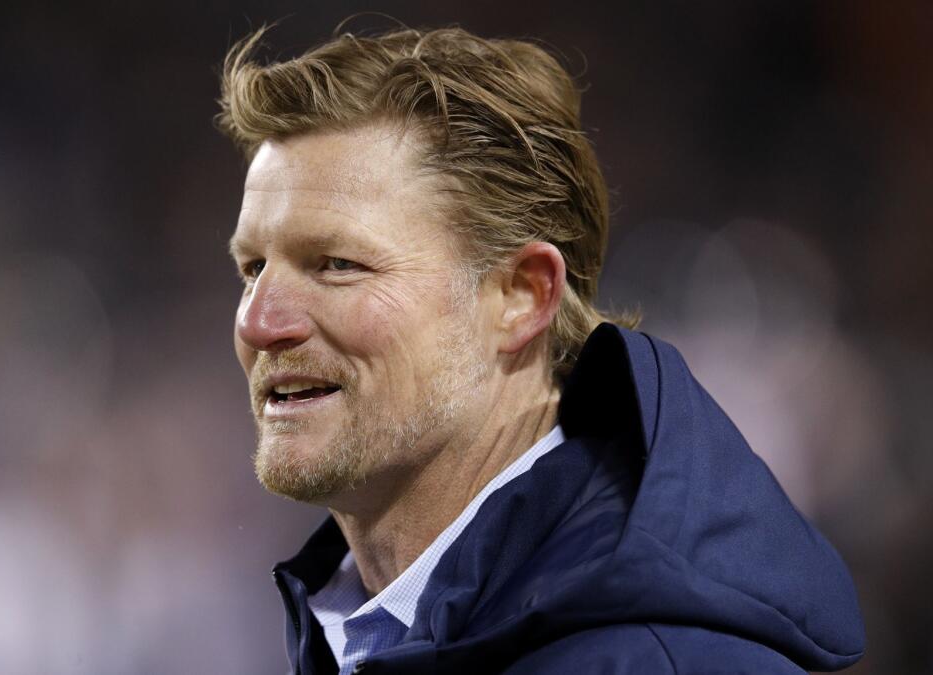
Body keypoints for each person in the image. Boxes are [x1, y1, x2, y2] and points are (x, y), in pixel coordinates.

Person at [217, 24, 865, 674]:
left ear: (521, 297)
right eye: (253, 269)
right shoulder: (356, 632)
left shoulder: (670, 661)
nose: (260, 322)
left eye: (335, 264)